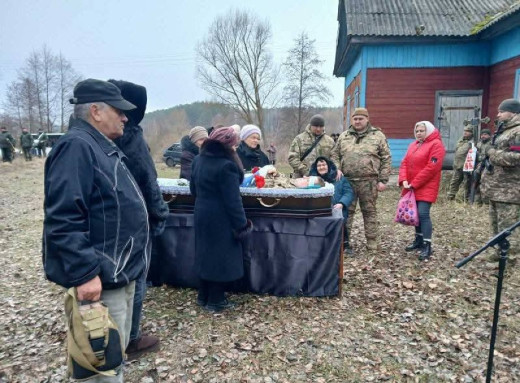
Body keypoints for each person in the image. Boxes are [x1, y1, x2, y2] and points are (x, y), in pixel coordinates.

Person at [43, 78, 150, 382]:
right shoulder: (76, 146)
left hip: (118, 275)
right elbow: (63, 218)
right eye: (120, 111)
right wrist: (84, 273)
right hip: (100, 279)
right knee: (100, 368)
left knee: (114, 360)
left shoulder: (99, 145)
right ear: (95, 111)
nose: (125, 117)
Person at [108, 79, 170, 361]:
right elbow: (148, 179)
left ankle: (113, 335)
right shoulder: (130, 135)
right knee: (135, 280)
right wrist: (159, 215)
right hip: (135, 218)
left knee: (117, 280)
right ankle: (130, 338)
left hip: (110, 219)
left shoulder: (94, 135)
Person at [190, 126, 252, 312]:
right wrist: (242, 225)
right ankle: (216, 300)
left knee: (204, 254)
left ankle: (203, 295)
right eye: (234, 144)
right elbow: (233, 201)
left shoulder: (198, 160)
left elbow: (193, 190)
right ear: (227, 145)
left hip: (201, 213)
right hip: (221, 218)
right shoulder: (227, 166)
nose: (235, 148)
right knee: (220, 257)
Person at [330, 107, 392, 253]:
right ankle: (344, 243)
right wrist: (337, 168)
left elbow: (386, 158)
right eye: (355, 119)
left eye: (360, 119)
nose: (357, 121)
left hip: (369, 181)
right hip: (347, 181)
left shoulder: (378, 136)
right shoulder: (344, 136)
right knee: (346, 212)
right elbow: (335, 155)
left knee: (369, 212)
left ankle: (372, 243)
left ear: (367, 119)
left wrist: (383, 179)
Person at [398, 121, 446, 261]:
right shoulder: (413, 145)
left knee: (423, 213)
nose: (419, 133)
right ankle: (418, 240)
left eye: (422, 131)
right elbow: (404, 163)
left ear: (429, 131)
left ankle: (427, 245)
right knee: (415, 214)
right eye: (417, 130)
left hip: (426, 185)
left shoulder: (436, 144)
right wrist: (404, 180)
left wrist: (415, 182)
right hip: (411, 186)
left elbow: (432, 167)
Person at [481, 98, 520, 266]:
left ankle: (509, 258)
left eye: (501, 111)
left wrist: (492, 154)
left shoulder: (517, 131)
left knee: (508, 226)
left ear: (513, 113)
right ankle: (499, 252)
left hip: (510, 189)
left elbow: (517, 158)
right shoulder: (503, 130)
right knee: (496, 224)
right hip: (497, 187)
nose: (498, 114)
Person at [309, 156, 355, 254]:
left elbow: (348, 192)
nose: (322, 167)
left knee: (339, 219)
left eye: (324, 164)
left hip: (337, 208)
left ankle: (345, 245)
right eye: (319, 165)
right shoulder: (312, 180)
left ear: (328, 166)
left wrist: (341, 203)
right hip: (319, 209)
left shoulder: (339, 178)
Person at [447, 126, 474, 201]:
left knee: (467, 184)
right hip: (458, 165)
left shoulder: (473, 142)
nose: (465, 132)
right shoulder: (461, 140)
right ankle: (450, 198)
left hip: (467, 167)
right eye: (464, 131)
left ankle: (466, 199)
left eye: (468, 131)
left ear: (472, 133)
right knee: (454, 182)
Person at [472, 128, 492, 204]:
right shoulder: (479, 144)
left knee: (485, 183)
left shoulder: (491, 144)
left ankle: (486, 203)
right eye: (482, 134)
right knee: (476, 183)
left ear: (489, 136)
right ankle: (477, 202)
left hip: (487, 166)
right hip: (479, 166)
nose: (483, 136)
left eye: (485, 134)